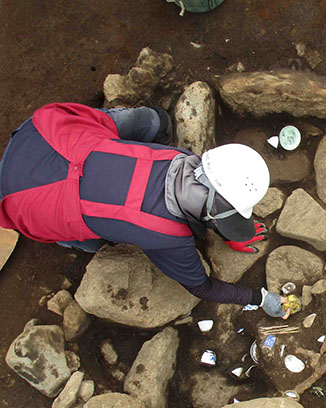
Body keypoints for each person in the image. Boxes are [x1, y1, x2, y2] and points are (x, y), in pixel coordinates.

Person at [0, 102, 288, 318]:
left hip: (45, 133)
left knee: (154, 120)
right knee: (95, 241)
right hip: (25, 200)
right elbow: (202, 287)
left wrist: (229, 230)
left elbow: (206, 203)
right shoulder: (167, 237)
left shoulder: (183, 159)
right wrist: (259, 297)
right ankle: (78, 238)